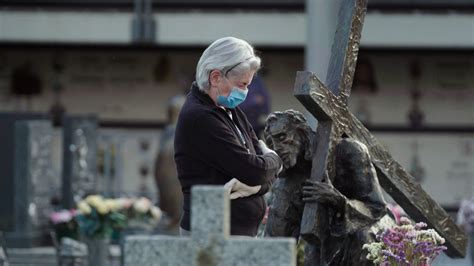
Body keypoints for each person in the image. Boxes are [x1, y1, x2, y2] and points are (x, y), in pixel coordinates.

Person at [174, 37, 283, 237]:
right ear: (215, 77)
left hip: (238, 232)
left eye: (248, 85)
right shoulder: (201, 117)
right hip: (213, 234)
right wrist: (274, 160)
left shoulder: (228, 109)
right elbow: (254, 169)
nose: (245, 92)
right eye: (241, 85)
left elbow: (258, 168)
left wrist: (256, 186)